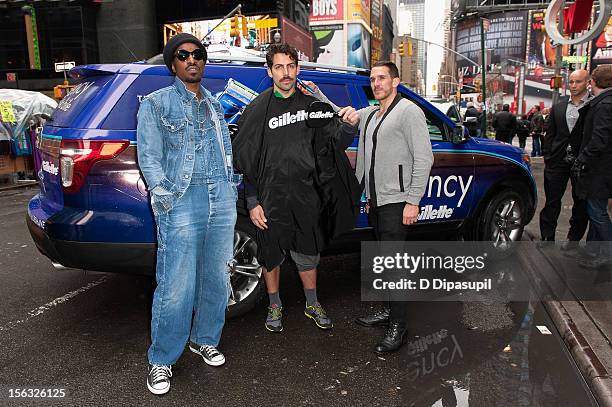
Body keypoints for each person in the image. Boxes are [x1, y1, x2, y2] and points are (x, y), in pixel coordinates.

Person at [301, 62, 434, 354]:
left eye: (382, 78)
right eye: (373, 79)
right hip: (376, 200)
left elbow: (424, 158)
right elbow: (343, 114)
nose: (376, 83)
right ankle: (389, 310)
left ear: (396, 81)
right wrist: (317, 94)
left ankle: (399, 326)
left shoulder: (409, 112)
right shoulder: (373, 113)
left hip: (397, 202)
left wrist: (413, 201)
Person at [232, 43, 361, 333]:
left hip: (306, 195)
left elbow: (333, 145)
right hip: (270, 197)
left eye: (291, 66)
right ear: (269, 71)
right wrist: (253, 201)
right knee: (270, 255)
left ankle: (312, 303)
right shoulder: (257, 110)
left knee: (308, 252)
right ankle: (275, 305)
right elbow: (246, 159)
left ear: (298, 69)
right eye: (279, 67)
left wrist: (350, 127)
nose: (286, 73)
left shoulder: (311, 107)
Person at [137, 33, 238, 395]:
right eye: (183, 55)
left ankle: (205, 338)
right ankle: (161, 360)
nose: (191, 60)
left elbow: (225, 152)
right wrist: (166, 198)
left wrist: (230, 189)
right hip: (183, 199)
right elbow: (149, 157)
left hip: (220, 197)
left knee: (216, 277)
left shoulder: (214, 104)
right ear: (173, 64)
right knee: (177, 284)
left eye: (197, 54)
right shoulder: (156, 103)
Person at [539, 69, 590, 251]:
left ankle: (573, 239)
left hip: (582, 162)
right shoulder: (559, 106)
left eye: (578, 82)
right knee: (552, 200)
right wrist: (548, 155)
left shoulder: (592, 105)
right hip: (557, 160)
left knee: (580, 202)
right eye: (571, 82)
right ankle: (547, 236)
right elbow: (550, 132)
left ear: (588, 83)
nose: (574, 86)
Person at [571, 64, 612, 269]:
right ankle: (595, 249)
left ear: (593, 82)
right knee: (597, 208)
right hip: (601, 168)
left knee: (596, 211)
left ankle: (606, 252)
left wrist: (582, 159)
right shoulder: (605, 102)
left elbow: (599, 140)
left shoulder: (604, 105)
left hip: (598, 169)